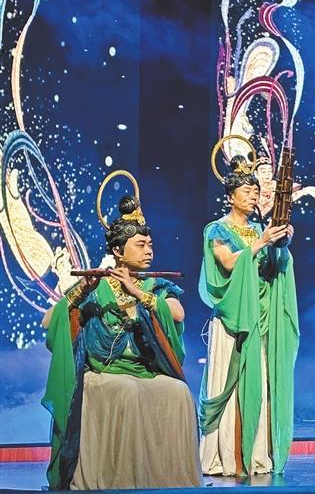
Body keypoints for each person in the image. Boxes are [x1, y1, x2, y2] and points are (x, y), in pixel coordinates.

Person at [41, 192, 201, 489]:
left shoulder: (154, 285)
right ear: (117, 250)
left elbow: (177, 313)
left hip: (142, 371)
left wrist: (139, 293)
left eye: (150, 245)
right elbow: (50, 321)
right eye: (140, 245)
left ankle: (169, 481)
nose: (148, 251)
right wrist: (81, 292)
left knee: (178, 392)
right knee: (127, 391)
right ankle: (124, 481)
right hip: (104, 372)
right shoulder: (97, 285)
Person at [199, 153, 299, 476]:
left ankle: (256, 454)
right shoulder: (217, 230)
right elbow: (229, 262)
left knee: (261, 381)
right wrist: (261, 243)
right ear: (231, 197)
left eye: (256, 191)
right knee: (230, 385)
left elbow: (271, 268)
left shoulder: (259, 229)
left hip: (261, 315)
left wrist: (280, 246)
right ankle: (227, 455)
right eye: (246, 191)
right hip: (234, 317)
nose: (253, 196)